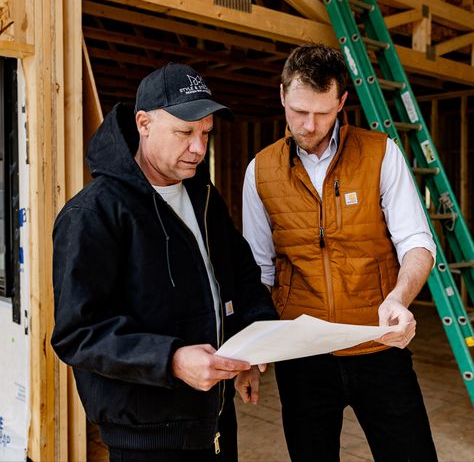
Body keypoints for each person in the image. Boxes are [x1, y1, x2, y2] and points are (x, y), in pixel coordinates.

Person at [51, 63, 277, 462]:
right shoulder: (93, 214)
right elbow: (79, 333)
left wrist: (248, 344)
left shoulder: (203, 196)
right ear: (144, 123)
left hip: (214, 417)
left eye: (206, 132)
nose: (199, 148)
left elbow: (239, 273)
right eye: (184, 132)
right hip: (148, 436)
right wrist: (171, 360)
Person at [241, 44, 438, 461]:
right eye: (298, 111)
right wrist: (251, 349)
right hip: (303, 354)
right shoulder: (259, 171)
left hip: (379, 344)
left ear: (342, 101)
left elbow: (417, 242)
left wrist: (399, 299)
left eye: (323, 112)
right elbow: (258, 270)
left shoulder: (381, 153)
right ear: (282, 96)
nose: (309, 125)